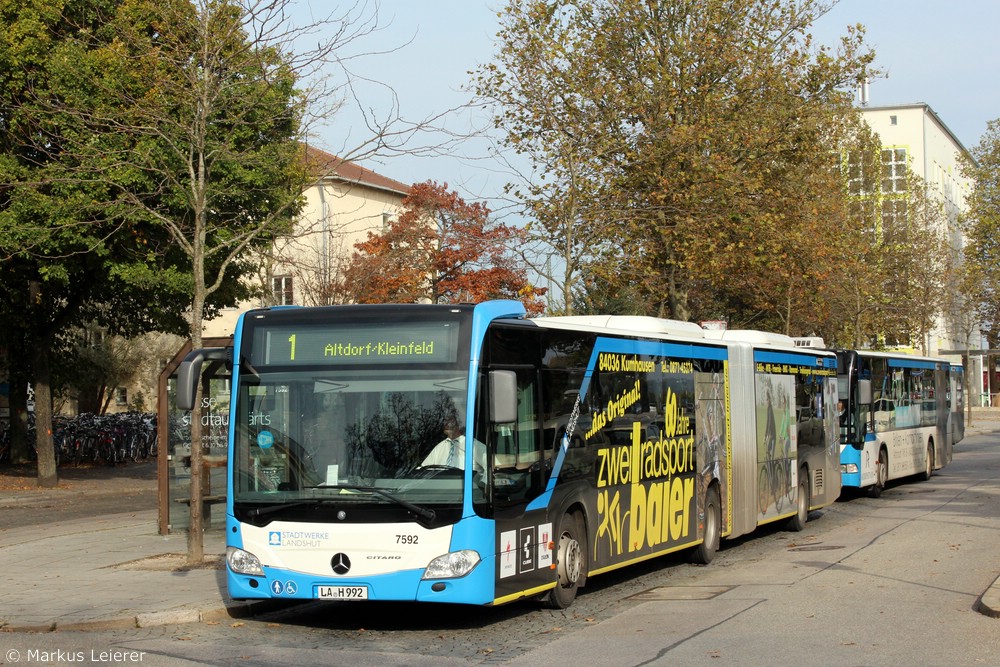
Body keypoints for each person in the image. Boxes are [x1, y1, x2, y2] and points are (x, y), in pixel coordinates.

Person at [421, 416, 487, 474]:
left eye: (451, 422)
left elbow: (490, 467)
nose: (447, 424)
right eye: (445, 422)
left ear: (458, 426)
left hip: (465, 486)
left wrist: (481, 485)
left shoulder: (473, 445)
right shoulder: (439, 448)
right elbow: (423, 469)